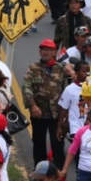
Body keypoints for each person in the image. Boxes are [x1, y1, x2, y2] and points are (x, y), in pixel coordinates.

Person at [22, 39, 69, 168]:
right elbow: (26, 87)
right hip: (39, 114)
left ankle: (60, 172)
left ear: (54, 52)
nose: (45, 52)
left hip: (56, 115)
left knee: (57, 143)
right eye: (43, 49)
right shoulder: (33, 68)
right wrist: (32, 106)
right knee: (38, 144)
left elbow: (66, 91)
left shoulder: (61, 69)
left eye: (48, 50)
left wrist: (66, 114)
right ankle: (39, 170)